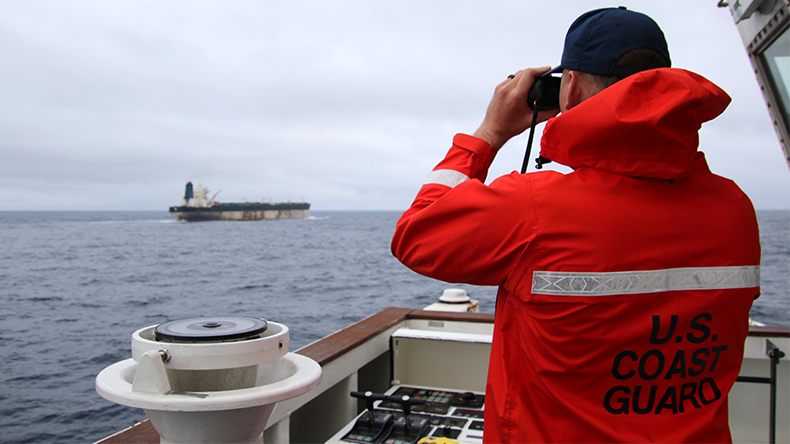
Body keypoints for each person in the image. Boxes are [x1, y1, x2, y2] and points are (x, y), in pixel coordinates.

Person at [391, 7, 761, 444]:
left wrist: (489, 132)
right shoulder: (735, 209)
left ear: (571, 87)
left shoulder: (534, 210)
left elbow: (416, 235)